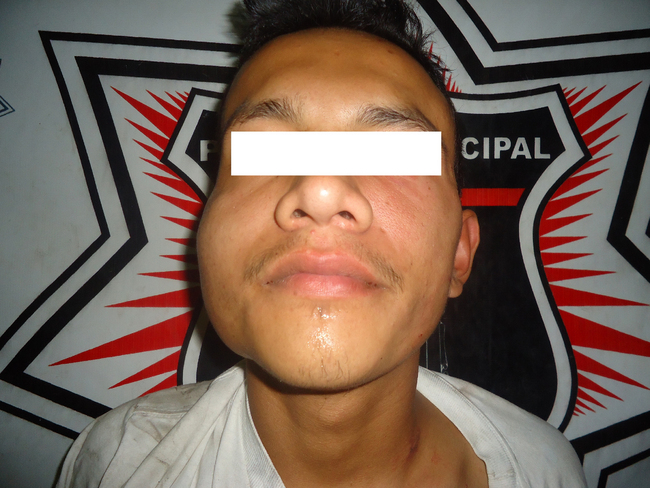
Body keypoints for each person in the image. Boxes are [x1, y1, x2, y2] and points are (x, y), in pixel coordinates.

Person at [57, 1, 587, 486]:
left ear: (460, 253)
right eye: (263, 152)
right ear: (204, 235)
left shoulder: (545, 471)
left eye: (394, 155)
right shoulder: (116, 464)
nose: (321, 190)